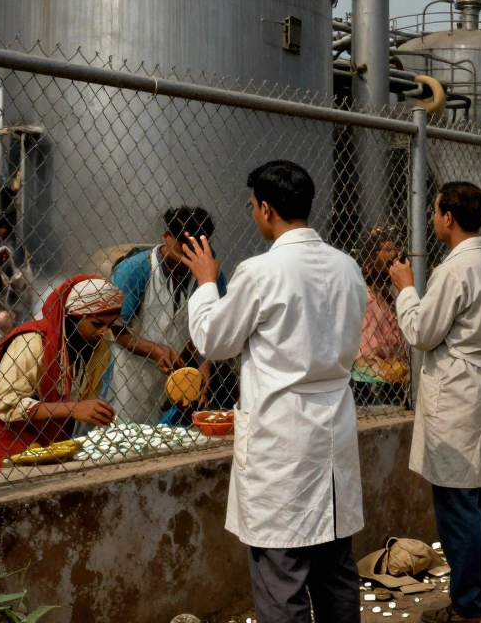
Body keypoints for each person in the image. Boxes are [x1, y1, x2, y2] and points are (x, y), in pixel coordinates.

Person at [182, 160, 367, 623]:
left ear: (266, 208)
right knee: (334, 570)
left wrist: (207, 283)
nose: (253, 215)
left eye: (252, 207)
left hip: (282, 440)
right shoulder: (347, 268)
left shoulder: (260, 271)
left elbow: (213, 340)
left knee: (281, 574)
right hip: (333, 432)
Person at [388, 182, 481, 623]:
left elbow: (423, 333)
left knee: (457, 499)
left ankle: (467, 605)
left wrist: (406, 288)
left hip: (458, 388)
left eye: (435, 211)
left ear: (448, 217)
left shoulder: (454, 270)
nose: (432, 219)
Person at [0, 276, 122, 473]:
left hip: (40, 446)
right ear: (71, 318)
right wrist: (74, 408)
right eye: (97, 323)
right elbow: (8, 405)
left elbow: (84, 397)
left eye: (110, 324)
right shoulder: (31, 342)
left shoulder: (97, 347)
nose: (104, 331)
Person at [110, 207, 228, 423]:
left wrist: (204, 364)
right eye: (183, 250)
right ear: (167, 237)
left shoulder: (211, 276)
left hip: (181, 384)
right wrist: (155, 351)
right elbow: (115, 329)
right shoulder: (135, 270)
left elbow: (214, 324)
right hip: (131, 381)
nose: (187, 259)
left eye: (196, 250)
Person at [352, 226, 410, 402]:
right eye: (389, 250)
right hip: (369, 380)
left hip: (393, 373)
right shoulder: (363, 293)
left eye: (396, 249)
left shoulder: (393, 290)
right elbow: (366, 352)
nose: (395, 254)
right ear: (371, 256)